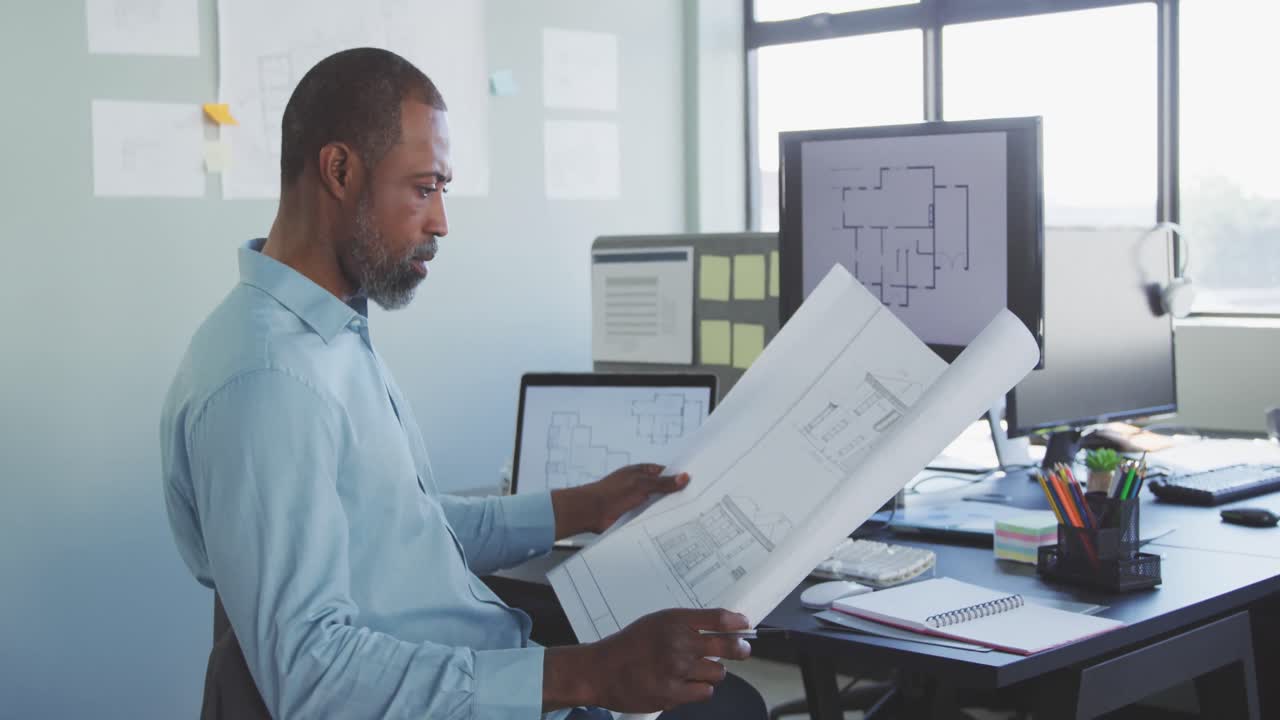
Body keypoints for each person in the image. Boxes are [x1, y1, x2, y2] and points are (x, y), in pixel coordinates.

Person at [160, 47, 765, 719]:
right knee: (725, 708)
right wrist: (584, 675)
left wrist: (583, 506)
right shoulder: (269, 382)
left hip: (483, 669)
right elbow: (311, 675)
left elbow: (405, 529)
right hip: (458, 696)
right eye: (424, 188)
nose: (442, 221)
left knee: (719, 700)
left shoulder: (324, 336)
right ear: (339, 170)